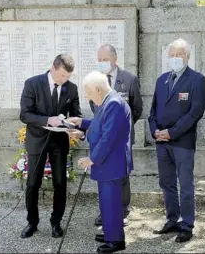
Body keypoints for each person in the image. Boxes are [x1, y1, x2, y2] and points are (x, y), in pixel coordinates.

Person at [148, 38, 205, 243]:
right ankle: (172, 219)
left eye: (179, 54)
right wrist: (155, 130)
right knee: (166, 183)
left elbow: (195, 113)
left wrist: (171, 132)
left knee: (185, 184)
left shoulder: (197, 80)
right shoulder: (162, 79)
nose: (174, 58)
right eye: (171, 55)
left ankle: (187, 224)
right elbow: (153, 111)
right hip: (162, 142)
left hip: (182, 142)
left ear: (187, 56)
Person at [67, 71, 132, 253]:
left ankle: (116, 241)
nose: (86, 95)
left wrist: (92, 159)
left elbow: (108, 137)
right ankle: (111, 232)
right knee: (107, 201)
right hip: (108, 162)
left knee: (111, 201)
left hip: (111, 162)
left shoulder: (113, 103)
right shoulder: (107, 101)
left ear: (97, 89)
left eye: (88, 92)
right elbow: (99, 124)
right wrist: (81, 122)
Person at [19, 54, 83, 239]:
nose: (65, 80)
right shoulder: (32, 83)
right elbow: (25, 115)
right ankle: (32, 222)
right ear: (53, 68)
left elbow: (76, 114)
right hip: (37, 140)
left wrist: (72, 124)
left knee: (60, 183)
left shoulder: (72, 88)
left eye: (68, 77)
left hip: (59, 143)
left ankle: (56, 222)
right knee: (33, 183)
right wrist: (48, 120)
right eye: (62, 75)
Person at [90, 44, 143, 226]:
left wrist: (120, 127)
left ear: (115, 59)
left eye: (105, 59)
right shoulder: (96, 81)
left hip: (122, 138)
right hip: (103, 136)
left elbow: (136, 108)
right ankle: (106, 211)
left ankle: (122, 210)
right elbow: (96, 109)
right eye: (100, 60)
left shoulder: (129, 79)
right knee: (105, 172)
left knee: (121, 173)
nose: (102, 63)